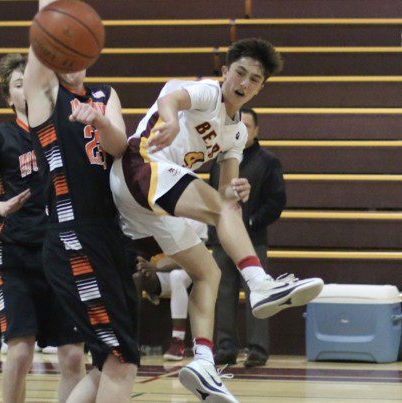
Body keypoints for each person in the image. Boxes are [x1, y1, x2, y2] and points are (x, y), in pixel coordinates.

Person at [109, 38, 324, 402]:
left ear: (260, 88)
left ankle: (204, 362)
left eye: (254, 79)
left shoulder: (237, 132)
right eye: (240, 73)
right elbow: (171, 97)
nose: (244, 83)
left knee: (209, 271)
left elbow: (225, 193)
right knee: (222, 215)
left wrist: (237, 189)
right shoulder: (209, 93)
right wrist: (170, 120)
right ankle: (259, 283)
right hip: (140, 166)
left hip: (145, 206)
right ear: (225, 71)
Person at [24, 2, 140, 401]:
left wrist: (101, 120)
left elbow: (119, 146)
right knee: (121, 358)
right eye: (61, 45)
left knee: (112, 358)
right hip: (73, 235)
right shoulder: (44, 94)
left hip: (109, 233)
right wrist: (52, 11)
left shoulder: (105, 94)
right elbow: (43, 27)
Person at [0, 53, 84, 403]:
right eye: (19, 84)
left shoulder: (68, 129)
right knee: (19, 354)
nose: (27, 89)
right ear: (9, 97)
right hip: (19, 255)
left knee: (73, 356)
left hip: (65, 252)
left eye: (31, 82)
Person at [209, 107, 286, 368]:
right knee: (223, 294)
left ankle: (257, 349)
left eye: (247, 126)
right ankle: (225, 348)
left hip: (253, 240)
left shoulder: (268, 161)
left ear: (256, 130)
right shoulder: (220, 158)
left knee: (258, 292)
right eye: (238, 125)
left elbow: (276, 201)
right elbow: (212, 196)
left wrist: (251, 222)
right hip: (221, 240)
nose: (241, 130)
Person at [132, 219, 208, 362]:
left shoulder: (197, 218)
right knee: (138, 277)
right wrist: (145, 264)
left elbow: (193, 259)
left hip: (191, 271)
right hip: (164, 270)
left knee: (176, 276)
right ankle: (131, 340)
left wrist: (157, 267)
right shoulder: (165, 215)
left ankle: (178, 341)